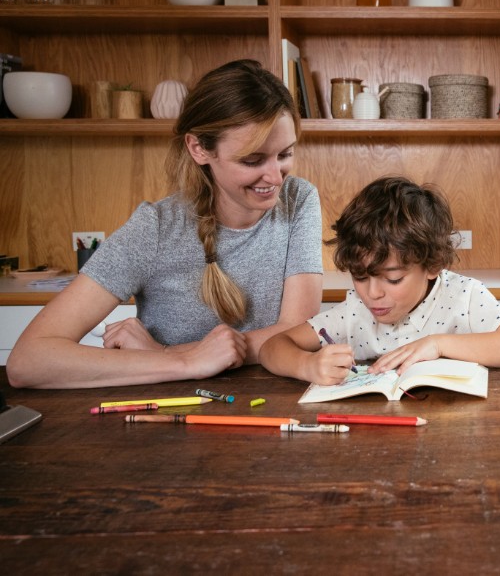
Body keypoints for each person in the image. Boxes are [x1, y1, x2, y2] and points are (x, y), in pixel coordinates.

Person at [7, 59, 324, 389]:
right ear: (198, 148)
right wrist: (185, 360)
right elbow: (28, 361)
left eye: (285, 154)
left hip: (269, 409)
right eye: (252, 160)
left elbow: (300, 331)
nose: (275, 177)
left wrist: (160, 351)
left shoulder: (298, 199)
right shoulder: (155, 228)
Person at [260, 176, 500, 385]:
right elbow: (273, 347)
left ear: (432, 265)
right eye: (360, 276)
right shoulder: (356, 310)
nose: (372, 294)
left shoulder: (463, 296)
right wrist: (306, 365)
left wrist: (438, 344)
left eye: (393, 279)